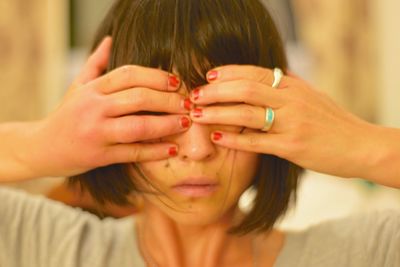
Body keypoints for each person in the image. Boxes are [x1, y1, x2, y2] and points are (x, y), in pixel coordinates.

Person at [0, 1, 399, 267]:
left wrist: (362, 145)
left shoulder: (358, 254)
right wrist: (39, 144)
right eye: (160, 114)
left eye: (227, 112)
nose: (197, 150)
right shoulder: (49, 247)